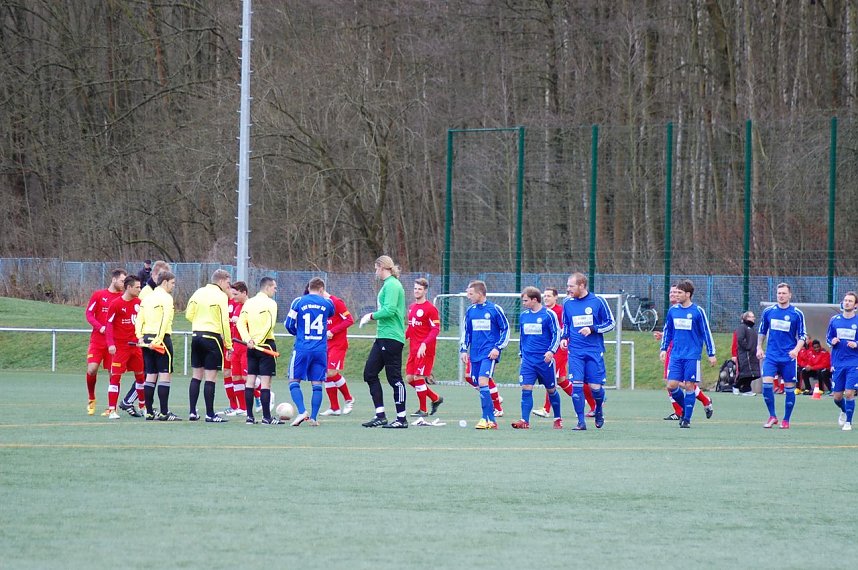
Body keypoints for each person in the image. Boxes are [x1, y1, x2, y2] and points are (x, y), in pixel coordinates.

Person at [359, 256, 409, 429]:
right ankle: (380, 415)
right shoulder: (387, 285)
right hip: (382, 336)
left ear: (382, 267)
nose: (375, 272)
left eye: (376, 268)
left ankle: (401, 418)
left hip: (392, 337)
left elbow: (390, 310)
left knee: (394, 378)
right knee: (370, 373)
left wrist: (370, 316)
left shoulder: (393, 284)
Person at [660, 279, 717, 428]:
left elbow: (706, 332)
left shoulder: (698, 311)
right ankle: (686, 409)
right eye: (675, 292)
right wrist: (664, 349)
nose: (676, 295)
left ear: (688, 294)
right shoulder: (673, 311)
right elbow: (668, 331)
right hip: (676, 355)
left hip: (692, 355)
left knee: (690, 386)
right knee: (671, 385)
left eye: (679, 292)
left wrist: (711, 353)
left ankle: (686, 419)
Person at [562, 272, 615, 430]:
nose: (568, 289)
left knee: (595, 388)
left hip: (593, 351)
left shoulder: (598, 301)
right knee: (576, 385)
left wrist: (592, 329)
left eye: (571, 286)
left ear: (582, 286)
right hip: (575, 352)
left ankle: (599, 409)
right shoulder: (567, 303)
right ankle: (580, 422)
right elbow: (566, 324)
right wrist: (564, 338)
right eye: (568, 286)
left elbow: (611, 323)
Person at [533, 288, 596, 419]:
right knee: (561, 380)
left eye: (549, 296)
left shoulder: (561, 311)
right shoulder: (543, 312)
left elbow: (566, 327)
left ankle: (546, 409)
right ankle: (592, 402)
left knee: (552, 376)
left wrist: (565, 340)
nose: (546, 298)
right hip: (550, 348)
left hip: (560, 349)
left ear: (556, 298)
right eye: (545, 296)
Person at [120, 260, 170, 413]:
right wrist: (142, 335)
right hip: (147, 337)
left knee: (149, 373)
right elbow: (140, 315)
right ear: (154, 275)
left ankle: (141, 404)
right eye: (161, 275)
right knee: (149, 373)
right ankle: (129, 401)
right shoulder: (148, 293)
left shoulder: (154, 292)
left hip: (148, 336)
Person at [460, 280, 510, 430]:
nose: (468, 297)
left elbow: (505, 330)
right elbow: (466, 332)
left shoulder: (494, 309)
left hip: (489, 354)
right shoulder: (470, 311)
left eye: (471, 294)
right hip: (474, 354)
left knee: (483, 381)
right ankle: (491, 420)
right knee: (478, 383)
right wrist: (463, 350)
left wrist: (497, 348)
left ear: (480, 293)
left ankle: (486, 418)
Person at [285, 277, 334, 426]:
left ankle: (302, 411)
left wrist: (298, 333)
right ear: (321, 289)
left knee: (294, 380)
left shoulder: (298, 301)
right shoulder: (327, 303)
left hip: (302, 348)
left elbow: (288, 324)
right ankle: (313, 417)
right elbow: (331, 314)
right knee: (317, 383)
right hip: (320, 349)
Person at [757, 282, 807, 429]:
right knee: (766, 385)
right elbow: (762, 331)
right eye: (779, 293)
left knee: (789, 388)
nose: (781, 295)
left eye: (784, 293)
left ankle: (786, 419)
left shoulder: (797, 314)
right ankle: (772, 416)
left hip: (788, 358)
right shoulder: (768, 312)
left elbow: (803, 336)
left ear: (789, 295)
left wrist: (796, 350)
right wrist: (759, 347)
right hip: (771, 356)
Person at [186, 268, 233, 423]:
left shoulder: (198, 292)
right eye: (227, 282)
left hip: (196, 335)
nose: (229, 285)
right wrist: (228, 344)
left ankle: (192, 412)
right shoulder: (221, 296)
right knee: (210, 378)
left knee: (196, 376)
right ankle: (210, 414)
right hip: (212, 337)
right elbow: (225, 321)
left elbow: (188, 314)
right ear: (220, 281)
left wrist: (199, 321)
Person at [511, 287, 562, 429]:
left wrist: (551, 351)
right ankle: (524, 421)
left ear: (534, 300)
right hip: (528, 360)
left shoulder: (549, 315)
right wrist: (521, 353)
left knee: (551, 390)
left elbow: (557, 334)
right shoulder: (523, 316)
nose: (524, 303)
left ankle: (557, 418)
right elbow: (522, 337)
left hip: (544, 360)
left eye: (526, 300)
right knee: (526, 388)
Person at [135, 270, 179, 420]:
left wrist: (140, 337)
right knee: (164, 375)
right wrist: (159, 339)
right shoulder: (166, 298)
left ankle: (148, 412)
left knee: (151, 375)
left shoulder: (147, 298)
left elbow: (139, 319)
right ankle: (164, 412)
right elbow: (165, 320)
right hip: (161, 340)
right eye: (172, 283)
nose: (173, 286)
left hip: (146, 339)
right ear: (165, 282)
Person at [84, 268, 127, 415]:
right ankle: (91, 398)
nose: (123, 283)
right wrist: (100, 327)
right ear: (114, 279)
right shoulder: (99, 295)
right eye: (122, 280)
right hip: (97, 340)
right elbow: (89, 314)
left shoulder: (123, 298)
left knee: (113, 374)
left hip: (114, 343)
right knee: (92, 369)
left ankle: (111, 407)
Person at [238, 277, 280, 424]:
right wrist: (257, 341)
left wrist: (248, 339)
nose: (275, 290)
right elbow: (270, 325)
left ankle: (249, 417)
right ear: (267, 287)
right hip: (266, 345)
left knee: (250, 381)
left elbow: (240, 324)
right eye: (274, 287)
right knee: (265, 383)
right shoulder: (271, 303)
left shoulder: (249, 302)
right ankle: (266, 417)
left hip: (252, 346)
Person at [103, 275, 145, 419]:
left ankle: (143, 407)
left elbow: (143, 323)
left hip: (136, 347)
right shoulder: (116, 304)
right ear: (128, 287)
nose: (140, 289)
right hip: (121, 348)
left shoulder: (140, 303)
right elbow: (109, 325)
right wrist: (111, 344)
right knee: (115, 377)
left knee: (141, 377)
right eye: (137, 287)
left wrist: (142, 338)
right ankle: (112, 410)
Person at [406, 277, 444, 417]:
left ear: (425, 291)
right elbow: (410, 328)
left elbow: (435, 329)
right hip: (413, 349)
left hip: (425, 350)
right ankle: (435, 398)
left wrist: (424, 344)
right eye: (415, 288)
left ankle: (423, 410)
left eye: (420, 289)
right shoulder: (411, 307)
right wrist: (400, 339)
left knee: (419, 377)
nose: (417, 291)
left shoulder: (430, 309)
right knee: (410, 378)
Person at [319, 288, 356, 416]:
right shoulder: (321, 305)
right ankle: (334, 407)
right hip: (325, 345)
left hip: (338, 344)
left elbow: (350, 320)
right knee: (325, 374)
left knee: (331, 372)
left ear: (321, 290)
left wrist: (332, 331)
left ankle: (349, 398)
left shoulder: (336, 302)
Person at [827, 291, 858, 431]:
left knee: (849, 393)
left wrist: (856, 344)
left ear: (855, 305)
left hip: (854, 362)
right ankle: (844, 411)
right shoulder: (835, 320)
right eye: (845, 300)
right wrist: (832, 341)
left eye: (850, 301)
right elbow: (828, 337)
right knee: (837, 397)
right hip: (838, 362)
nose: (847, 303)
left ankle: (848, 423)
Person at [221, 281, 249, 416]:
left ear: (244, 293)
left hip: (245, 346)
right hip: (235, 345)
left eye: (236, 294)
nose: (234, 296)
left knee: (246, 376)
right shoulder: (237, 305)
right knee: (235, 376)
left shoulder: (249, 306)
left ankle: (262, 392)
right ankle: (242, 408)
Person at [731, 310, 760, 395]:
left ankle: (746, 388)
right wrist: (747, 347)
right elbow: (740, 339)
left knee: (753, 374)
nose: (753, 318)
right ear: (746, 318)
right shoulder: (742, 327)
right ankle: (736, 386)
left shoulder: (752, 329)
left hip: (752, 354)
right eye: (751, 316)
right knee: (746, 372)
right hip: (745, 354)